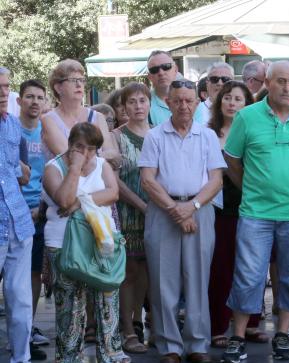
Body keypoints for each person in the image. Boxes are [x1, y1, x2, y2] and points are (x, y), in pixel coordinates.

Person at [223, 61, 289, 362]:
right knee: (248, 276)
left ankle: (283, 334)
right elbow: (232, 160)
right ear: (268, 81)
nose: (288, 88)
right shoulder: (247, 117)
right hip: (256, 213)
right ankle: (237, 337)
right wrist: (253, 188)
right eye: (281, 82)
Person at [139, 79, 225, 363]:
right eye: (178, 100)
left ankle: (198, 344)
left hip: (200, 210)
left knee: (198, 279)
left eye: (189, 100)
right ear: (168, 103)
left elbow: (216, 180)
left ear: (198, 103)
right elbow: (148, 180)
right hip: (163, 211)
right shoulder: (154, 135)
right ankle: (169, 347)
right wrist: (176, 210)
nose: (184, 106)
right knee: (164, 283)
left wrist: (192, 206)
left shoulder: (208, 136)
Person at [42, 123, 127, 362]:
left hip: (101, 243)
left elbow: (113, 193)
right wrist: (75, 168)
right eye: (79, 147)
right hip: (63, 245)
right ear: (70, 145)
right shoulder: (53, 167)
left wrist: (81, 202)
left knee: (108, 300)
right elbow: (63, 200)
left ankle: (111, 354)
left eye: (91, 148)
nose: (86, 153)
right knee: (70, 306)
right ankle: (69, 357)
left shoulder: (102, 165)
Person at [204, 81, 266, 350]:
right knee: (221, 269)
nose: (232, 103)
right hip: (219, 210)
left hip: (251, 207)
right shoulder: (207, 134)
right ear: (219, 103)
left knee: (252, 267)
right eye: (227, 98)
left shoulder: (256, 131)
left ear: (247, 104)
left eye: (238, 99)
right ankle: (218, 326)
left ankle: (251, 323)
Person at [0, 67, 39, 362]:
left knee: (22, 300)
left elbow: (21, 170)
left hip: (19, 222)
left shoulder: (13, 124)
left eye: (6, 87)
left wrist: (20, 174)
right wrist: (17, 172)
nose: (4, 93)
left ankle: (21, 357)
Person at [112, 82, 151, 354]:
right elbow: (112, 180)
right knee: (128, 272)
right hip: (127, 212)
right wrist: (140, 204)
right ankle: (127, 329)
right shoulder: (115, 137)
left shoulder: (160, 133)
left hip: (157, 211)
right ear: (123, 107)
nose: (138, 106)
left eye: (142, 100)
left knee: (149, 270)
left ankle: (139, 321)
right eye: (132, 102)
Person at [16, 79, 51, 356]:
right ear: (19, 101)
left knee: (34, 273)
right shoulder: (10, 130)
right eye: (29, 97)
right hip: (11, 210)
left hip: (40, 210)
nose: (35, 102)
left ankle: (27, 328)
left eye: (40, 97)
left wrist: (41, 206)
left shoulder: (47, 131)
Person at [42, 59, 120, 165]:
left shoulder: (98, 117)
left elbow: (113, 154)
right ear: (58, 88)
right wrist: (101, 156)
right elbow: (69, 157)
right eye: (73, 80)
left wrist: (89, 157)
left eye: (82, 80)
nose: (79, 85)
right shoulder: (48, 120)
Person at [145, 50, 204, 126]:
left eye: (166, 66)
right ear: (149, 76)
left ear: (175, 70)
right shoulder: (143, 104)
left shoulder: (192, 101)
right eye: (154, 70)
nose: (161, 73)